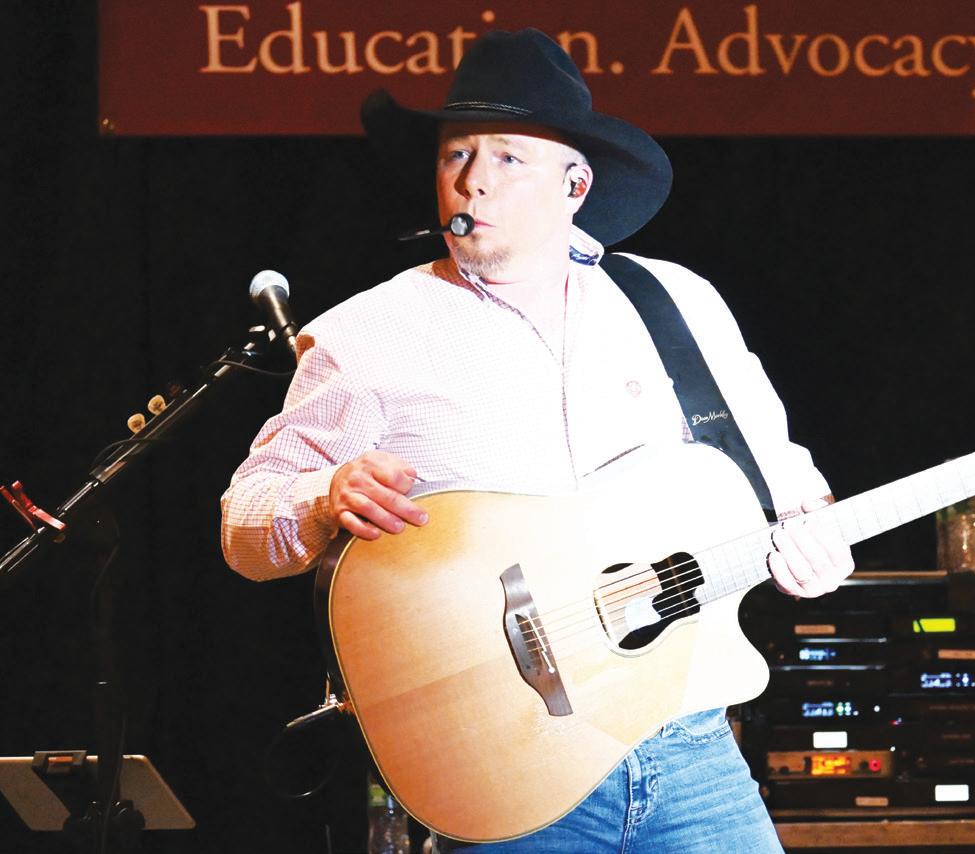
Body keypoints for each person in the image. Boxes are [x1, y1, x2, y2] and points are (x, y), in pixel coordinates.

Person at [221, 28, 854, 852]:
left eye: (508, 157)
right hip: (506, 768)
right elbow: (244, 525)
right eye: (456, 155)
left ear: (575, 184)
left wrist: (817, 549)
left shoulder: (676, 303)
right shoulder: (366, 333)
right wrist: (320, 497)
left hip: (690, 745)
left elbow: (788, 488)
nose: (473, 179)